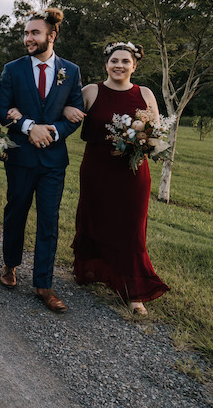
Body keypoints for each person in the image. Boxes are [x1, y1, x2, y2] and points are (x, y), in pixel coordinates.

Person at [0, 8, 84, 313]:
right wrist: (29, 128)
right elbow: (2, 109)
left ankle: (44, 284)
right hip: (20, 156)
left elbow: (75, 113)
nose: (28, 38)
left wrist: (54, 131)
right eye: (26, 33)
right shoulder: (13, 69)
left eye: (34, 33)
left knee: (49, 220)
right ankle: (10, 265)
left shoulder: (71, 71)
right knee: (15, 212)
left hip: (53, 161)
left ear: (52, 35)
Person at [72, 41, 169, 315]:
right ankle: (91, 270)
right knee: (95, 218)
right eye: (115, 60)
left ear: (134, 66)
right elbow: (69, 117)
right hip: (97, 170)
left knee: (131, 227)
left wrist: (145, 142)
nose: (119, 66)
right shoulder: (91, 91)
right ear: (106, 64)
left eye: (125, 61)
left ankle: (134, 290)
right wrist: (68, 111)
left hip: (133, 172)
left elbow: (156, 133)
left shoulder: (146, 93)